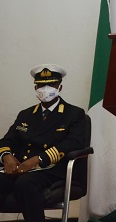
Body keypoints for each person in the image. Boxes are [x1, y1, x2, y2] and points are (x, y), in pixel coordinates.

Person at [0, 64, 86, 222]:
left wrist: (38, 159)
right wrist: (6, 156)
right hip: (21, 167)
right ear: (35, 88)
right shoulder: (26, 114)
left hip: (52, 168)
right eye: (41, 85)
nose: (45, 89)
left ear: (59, 87)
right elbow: (7, 140)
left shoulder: (74, 114)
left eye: (51, 84)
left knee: (25, 184)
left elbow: (73, 143)